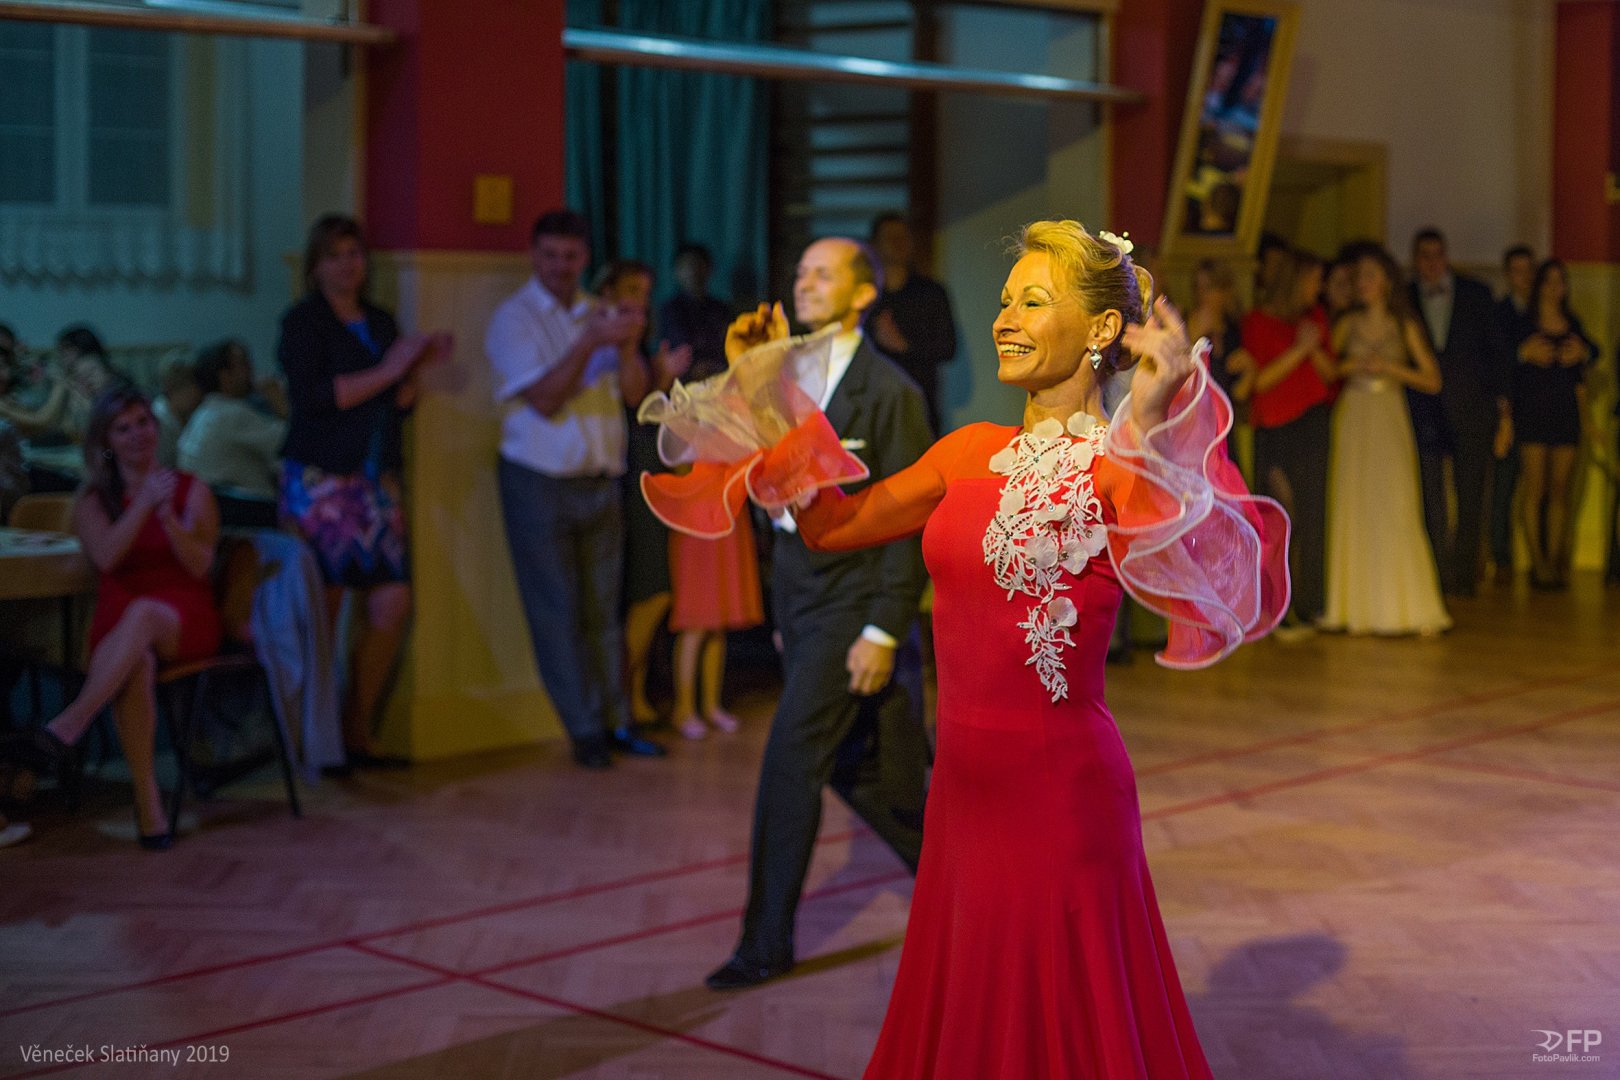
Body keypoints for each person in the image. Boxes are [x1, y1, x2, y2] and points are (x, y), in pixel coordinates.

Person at [648, 221, 1286, 1075]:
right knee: (974, 1010)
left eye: (1033, 301)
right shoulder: (966, 452)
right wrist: (765, 390)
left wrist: (1152, 411)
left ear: (1102, 329)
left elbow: (1201, 566)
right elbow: (830, 524)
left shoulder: (1117, 466)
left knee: (1065, 1020)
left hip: (1062, 795)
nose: (1004, 319)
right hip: (963, 793)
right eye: (1004, 301)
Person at [702, 236, 934, 991]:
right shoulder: (781, 376)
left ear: (863, 294)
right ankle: (970, 889)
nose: (805, 283)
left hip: (857, 603)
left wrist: (883, 629)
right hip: (801, 600)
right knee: (867, 773)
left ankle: (764, 944)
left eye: (823, 274)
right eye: (800, 271)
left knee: (791, 761)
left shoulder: (891, 391)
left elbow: (910, 518)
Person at [485, 210, 672, 769]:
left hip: (600, 478)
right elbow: (545, 399)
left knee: (604, 612)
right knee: (558, 612)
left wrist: (629, 346)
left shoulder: (599, 310)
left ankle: (618, 721)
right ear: (533, 255)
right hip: (537, 480)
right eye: (549, 255)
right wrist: (590, 342)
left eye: (570, 257)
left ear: (585, 258)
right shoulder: (513, 318)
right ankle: (586, 730)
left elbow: (635, 395)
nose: (560, 267)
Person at [0, 387, 222, 848]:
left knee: (143, 614)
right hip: (119, 619)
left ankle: (69, 724)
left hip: (183, 614)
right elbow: (106, 557)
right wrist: (142, 505)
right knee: (134, 663)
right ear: (107, 441)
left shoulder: (191, 489)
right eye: (124, 428)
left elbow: (200, 566)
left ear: (155, 428)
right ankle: (149, 805)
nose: (137, 434)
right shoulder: (93, 499)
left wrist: (169, 519)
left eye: (143, 422)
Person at [278, 214, 446, 771]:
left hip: (376, 481)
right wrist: (391, 369)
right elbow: (318, 397)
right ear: (315, 266)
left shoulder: (379, 320)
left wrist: (413, 371)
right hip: (322, 480)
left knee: (391, 601)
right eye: (335, 255)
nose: (348, 265)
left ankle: (358, 725)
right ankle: (316, 739)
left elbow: (395, 401)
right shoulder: (303, 323)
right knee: (325, 605)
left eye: (354, 253)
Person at [1322, 248, 1451, 635]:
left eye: (1369, 276)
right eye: (1359, 276)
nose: (1362, 283)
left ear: (1386, 282)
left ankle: (1406, 606)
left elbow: (1432, 379)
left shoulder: (1403, 324)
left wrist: (1389, 368)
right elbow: (1328, 369)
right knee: (1354, 501)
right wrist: (1354, 366)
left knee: (1395, 502)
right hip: (1354, 413)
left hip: (1389, 413)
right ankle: (1354, 608)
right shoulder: (1347, 323)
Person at [596, 259, 693, 727]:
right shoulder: (601, 336)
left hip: (645, 467)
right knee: (646, 590)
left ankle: (630, 697)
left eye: (646, 292)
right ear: (609, 290)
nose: (642, 300)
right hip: (625, 474)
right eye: (632, 289)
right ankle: (619, 699)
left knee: (650, 591)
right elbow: (635, 399)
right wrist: (656, 374)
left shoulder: (638, 340)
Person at [1229, 250, 1336, 630]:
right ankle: (1277, 607)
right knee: (1281, 518)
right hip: (1276, 427)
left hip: (1313, 422)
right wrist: (1301, 349)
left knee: (1312, 515)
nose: (1318, 288)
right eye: (1313, 280)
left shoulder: (1315, 317)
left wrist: (1313, 346)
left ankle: (1309, 605)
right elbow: (1260, 381)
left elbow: (1330, 375)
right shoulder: (1258, 321)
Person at [1407, 228, 1510, 597]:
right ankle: (1436, 572)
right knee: (1429, 494)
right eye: (1424, 255)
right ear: (1415, 260)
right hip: (1423, 410)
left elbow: (1497, 353)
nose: (1432, 263)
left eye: (1438, 254)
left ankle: (1465, 575)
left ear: (1446, 256)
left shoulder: (1476, 293)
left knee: (1471, 494)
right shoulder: (1405, 296)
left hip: (1472, 408)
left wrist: (1503, 410)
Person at [1512, 258, 1594, 589]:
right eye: (1549, 281)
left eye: (1561, 281)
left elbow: (1594, 353)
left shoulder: (1573, 324)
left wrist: (1583, 353)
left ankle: (1556, 560)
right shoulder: (1524, 324)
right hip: (1532, 411)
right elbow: (1506, 359)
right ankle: (1538, 562)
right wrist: (1524, 353)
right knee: (1535, 488)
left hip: (1564, 413)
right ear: (1540, 285)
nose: (1555, 288)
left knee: (1560, 489)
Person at [178, 339, 289, 524]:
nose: (252, 370)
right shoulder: (232, 414)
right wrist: (280, 403)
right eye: (244, 363)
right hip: (251, 517)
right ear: (225, 377)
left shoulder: (202, 414)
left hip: (214, 519)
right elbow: (294, 445)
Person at [866, 212, 958, 431]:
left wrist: (903, 345)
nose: (898, 243)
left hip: (920, 405)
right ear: (875, 244)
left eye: (903, 236)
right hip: (872, 407)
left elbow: (948, 348)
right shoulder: (865, 296)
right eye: (890, 237)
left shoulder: (931, 292)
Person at [1489, 244, 1535, 584]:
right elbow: (1494, 361)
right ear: (1507, 274)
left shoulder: (1543, 310)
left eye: (1529, 270)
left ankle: (1540, 555)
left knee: (1537, 486)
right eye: (1517, 271)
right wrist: (1522, 353)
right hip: (1508, 409)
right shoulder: (1497, 312)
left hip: (1540, 410)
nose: (1524, 278)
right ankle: (1500, 554)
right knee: (1503, 487)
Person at [658, 243, 732, 381]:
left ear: (709, 268)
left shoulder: (721, 309)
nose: (692, 271)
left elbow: (728, 345)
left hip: (721, 376)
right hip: (682, 380)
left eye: (698, 265)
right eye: (686, 266)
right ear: (676, 271)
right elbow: (677, 346)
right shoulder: (671, 309)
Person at [152, 356, 202, 467]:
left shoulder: (187, 415)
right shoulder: (158, 420)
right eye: (194, 386)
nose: (199, 394)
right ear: (171, 388)